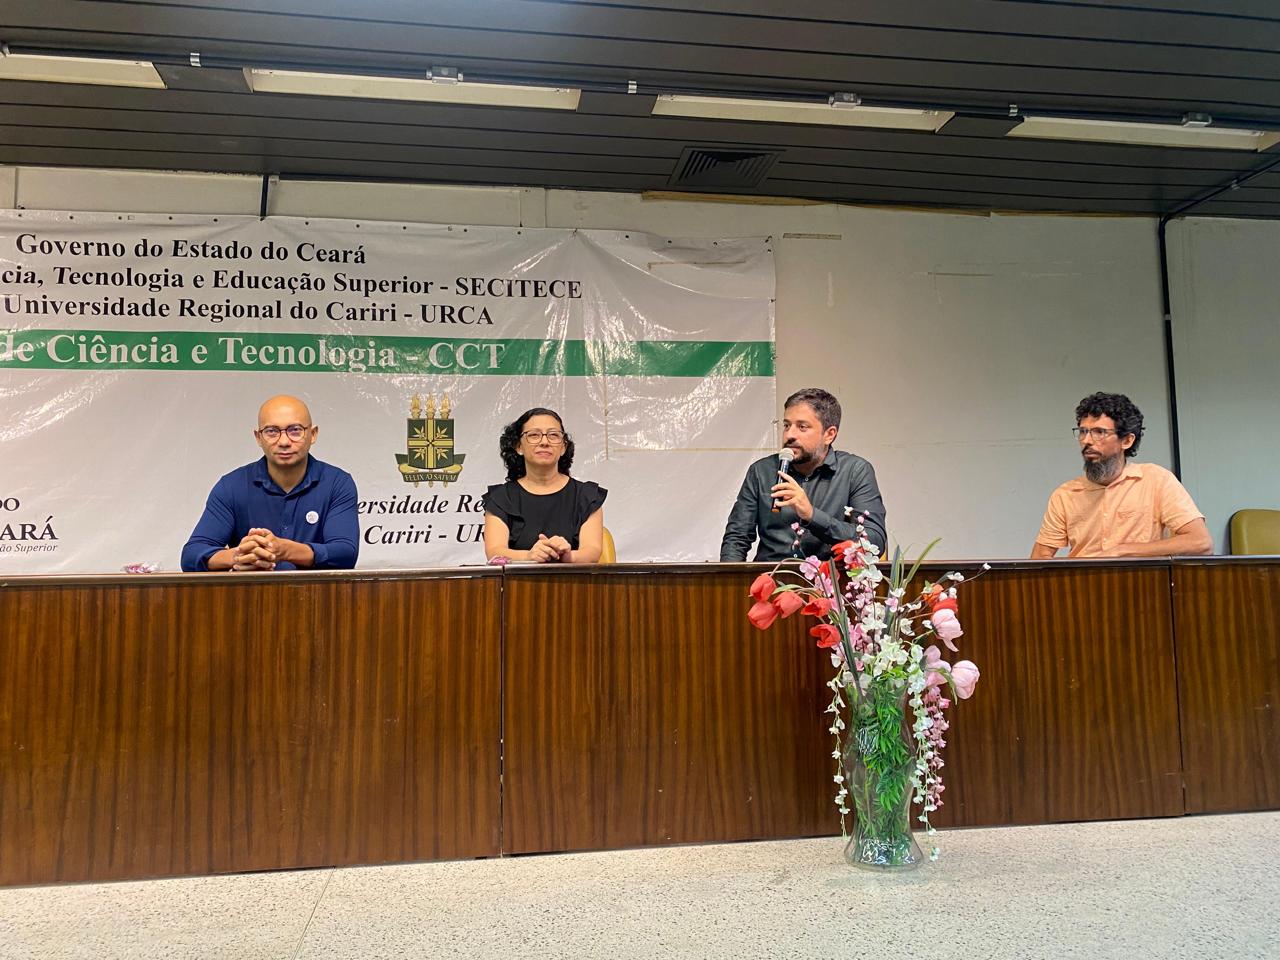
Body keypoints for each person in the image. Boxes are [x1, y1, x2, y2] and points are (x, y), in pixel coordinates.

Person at [180, 395, 359, 572]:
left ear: (313, 434)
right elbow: (191, 555)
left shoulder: (337, 483)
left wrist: (284, 550)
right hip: (252, 597)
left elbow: (344, 553)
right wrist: (239, 555)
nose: (283, 442)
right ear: (258, 437)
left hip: (316, 597)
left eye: (295, 430)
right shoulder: (232, 486)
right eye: (271, 431)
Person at [1031, 391, 1212, 559]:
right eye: (1083, 431)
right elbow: (1039, 559)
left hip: (1141, 585)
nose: (1086, 440)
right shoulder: (1065, 494)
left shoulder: (1156, 480)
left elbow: (1200, 542)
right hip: (1084, 586)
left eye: (1099, 432)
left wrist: (1123, 550)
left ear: (1126, 440)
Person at [720, 387, 887, 562]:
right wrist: (731, 584)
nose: (790, 434)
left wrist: (812, 515)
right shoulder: (761, 471)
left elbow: (873, 540)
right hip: (771, 580)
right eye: (786, 425)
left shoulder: (855, 471)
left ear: (829, 435)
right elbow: (736, 539)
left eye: (802, 427)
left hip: (830, 583)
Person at [483, 407, 607, 563]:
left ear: (563, 447)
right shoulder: (500, 498)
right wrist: (529, 556)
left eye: (553, 435)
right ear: (518, 447)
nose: (544, 442)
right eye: (534, 435)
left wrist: (568, 556)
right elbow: (494, 552)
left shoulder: (587, 496)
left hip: (575, 584)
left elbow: (592, 551)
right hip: (517, 585)